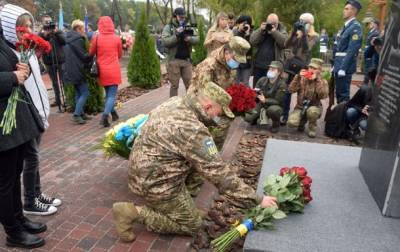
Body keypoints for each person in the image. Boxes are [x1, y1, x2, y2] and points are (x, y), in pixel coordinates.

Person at [112, 82, 278, 242]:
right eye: (218, 113)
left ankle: (178, 207)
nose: (217, 119)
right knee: (193, 226)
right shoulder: (193, 129)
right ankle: (132, 213)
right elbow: (218, 173)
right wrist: (257, 199)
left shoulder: (176, 101)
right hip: (156, 183)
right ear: (208, 107)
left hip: (145, 170)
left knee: (196, 175)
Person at [0, 4, 46, 248]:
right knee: (5, 182)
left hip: (13, 123)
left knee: (15, 172)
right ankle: (13, 232)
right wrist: (11, 78)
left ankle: (18, 218)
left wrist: (20, 70)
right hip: (2, 127)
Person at [190, 36, 250, 149]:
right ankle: (208, 153)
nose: (237, 63)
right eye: (235, 59)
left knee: (226, 120)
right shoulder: (208, 66)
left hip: (216, 104)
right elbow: (201, 94)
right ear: (227, 52)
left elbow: (228, 88)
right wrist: (216, 114)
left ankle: (212, 153)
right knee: (221, 123)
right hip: (200, 105)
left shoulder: (229, 66)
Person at [282, 13, 319, 125]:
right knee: (287, 91)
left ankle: (300, 120)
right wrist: (294, 31)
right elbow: (286, 44)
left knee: (302, 93)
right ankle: (284, 115)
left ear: (310, 24)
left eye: (304, 22)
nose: (302, 24)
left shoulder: (314, 36)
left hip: (303, 67)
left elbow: (307, 48)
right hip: (291, 66)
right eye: (300, 21)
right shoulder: (297, 33)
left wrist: (303, 34)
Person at [89, 16, 122, 127]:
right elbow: (120, 55)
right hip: (113, 69)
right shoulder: (117, 38)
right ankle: (104, 116)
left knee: (108, 94)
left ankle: (113, 113)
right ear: (111, 24)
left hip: (101, 70)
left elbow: (91, 52)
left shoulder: (96, 38)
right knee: (111, 95)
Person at [162, 7, 199, 97]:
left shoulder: (188, 26)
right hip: (174, 60)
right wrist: (176, 35)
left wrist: (189, 38)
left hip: (186, 60)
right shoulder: (169, 27)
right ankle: (173, 106)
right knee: (174, 86)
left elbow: (197, 39)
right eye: (180, 17)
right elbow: (165, 41)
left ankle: (191, 105)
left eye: (183, 17)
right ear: (175, 16)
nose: (182, 19)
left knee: (190, 85)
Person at [287, 58, 329, 138]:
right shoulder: (302, 78)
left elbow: (323, 96)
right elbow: (291, 90)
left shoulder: (323, 81)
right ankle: (302, 122)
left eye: (314, 68)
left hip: (314, 107)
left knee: (312, 112)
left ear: (319, 70)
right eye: (310, 67)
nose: (311, 70)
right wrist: (298, 77)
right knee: (291, 123)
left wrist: (317, 80)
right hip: (300, 107)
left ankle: (312, 128)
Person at [332, 0, 363, 103]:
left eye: (346, 9)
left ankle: (343, 118)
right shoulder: (345, 27)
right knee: (338, 94)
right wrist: (334, 65)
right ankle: (339, 115)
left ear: (353, 11)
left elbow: (352, 50)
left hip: (344, 66)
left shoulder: (355, 27)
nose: (343, 11)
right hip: (339, 65)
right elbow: (337, 48)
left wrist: (343, 68)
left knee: (343, 95)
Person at [244, 61, 286, 133]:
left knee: (273, 111)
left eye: (273, 69)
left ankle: (276, 124)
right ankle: (255, 117)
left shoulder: (282, 84)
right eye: (270, 68)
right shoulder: (262, 80)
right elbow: (255, 92)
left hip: (275, 105)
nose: (270, 70)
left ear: (278, 72)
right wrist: (255, 94)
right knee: (247, 117)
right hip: (261, 103)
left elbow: (278, 101)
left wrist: (265, 100)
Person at [64, 19, 93, 124]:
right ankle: (76, 114)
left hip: (70, 69)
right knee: (85, 93)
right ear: (77, 28)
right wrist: (92, 53)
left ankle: (81, 113)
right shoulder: (78, 40)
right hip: (77, 69)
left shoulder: (68, 38)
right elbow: (84, 57)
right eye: (82, 29)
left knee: (78, 93)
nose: (84, 31)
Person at [250, 13, 288, 86]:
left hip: (274, 68)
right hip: (259, 66)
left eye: (275, 24)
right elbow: (252, 41)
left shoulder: (282, 31)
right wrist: (260, 30)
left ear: (278, 22)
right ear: (267, 22)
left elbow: (284, 43)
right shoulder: (263, 30)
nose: (272, 25)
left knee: (269, 89)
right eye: (270, 24)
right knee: (257, 88)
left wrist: (274, 32)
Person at [39, 15, 66, 112]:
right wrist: (44, 35)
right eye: (46, 22)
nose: (48, 23)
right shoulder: (41, 33)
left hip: (60, 60)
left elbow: (64, 41)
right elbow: (39, 44)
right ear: (42, 23)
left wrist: (56, 32)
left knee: (64, 81)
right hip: (49, 61)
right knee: (54, 83)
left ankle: (66, 100)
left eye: (49, 21)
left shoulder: (57, 31)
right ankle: (58, 101)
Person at [233, 15, 253, 85]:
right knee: (235, 82)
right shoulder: (235, 31)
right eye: (242, 23)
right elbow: (235, 44)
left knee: (245, 83)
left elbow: (249, 47)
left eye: (246, 24)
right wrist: (239, 31)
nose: (244, 26)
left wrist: (247, 34)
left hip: (247, 62)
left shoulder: (252, 33)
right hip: (236, 61)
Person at [362, 17, 380, 85]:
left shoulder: (376, 33)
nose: (369, 25)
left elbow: (373, 46)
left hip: (371, 55)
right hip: (368, 53)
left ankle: (365, 85)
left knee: (368, 71)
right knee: (367, 70)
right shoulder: (371, 32)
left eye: (370, 23)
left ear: (375, 24)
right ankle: (365, 85)